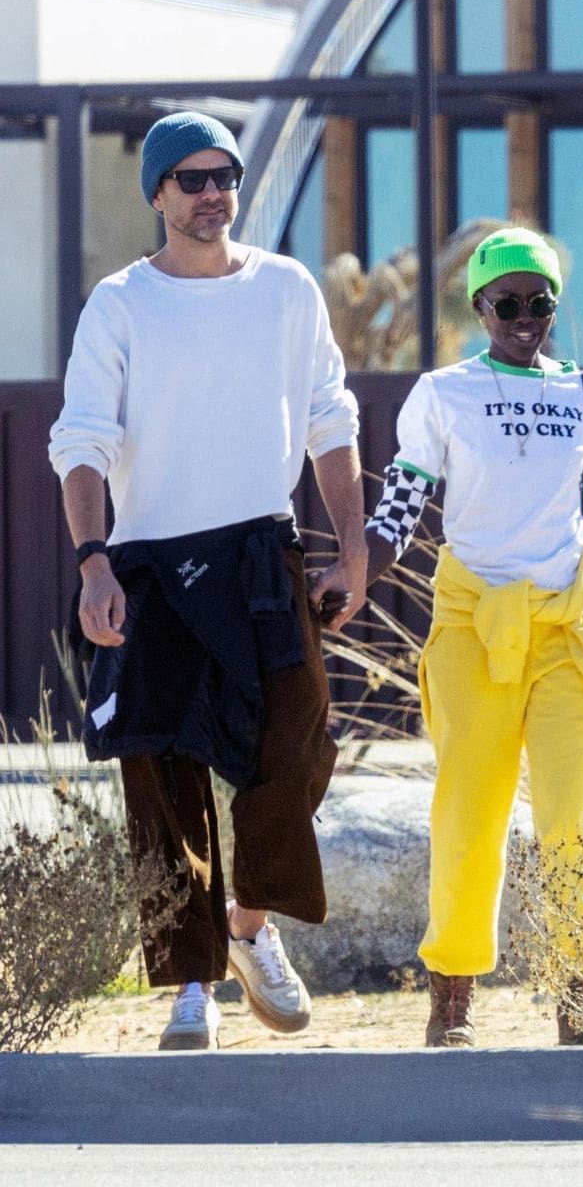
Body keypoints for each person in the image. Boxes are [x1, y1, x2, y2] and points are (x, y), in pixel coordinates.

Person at [49, 110, 367, 1051]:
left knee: (299, 743)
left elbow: (329, 417)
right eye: (189, 179)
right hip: (150, 562)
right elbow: (82, 440)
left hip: (264, 551)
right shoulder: (119, 303)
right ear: (157, 194)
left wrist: (350, 546)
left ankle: (248, 931)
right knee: (162, 773)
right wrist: (91, 559)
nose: (211, 193)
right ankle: (189, 987)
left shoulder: (286, 288)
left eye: (223, 175)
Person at [364, 226, 583, 1047]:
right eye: (508, 302)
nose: (524, 316)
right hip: (473, 626)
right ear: (481, 306)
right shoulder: (442, 393)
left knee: (577, 819)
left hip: (573, 627)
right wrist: (356, 573)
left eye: (539, 302)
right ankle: (452, 999)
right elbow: (403, 499)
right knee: (470, 811)